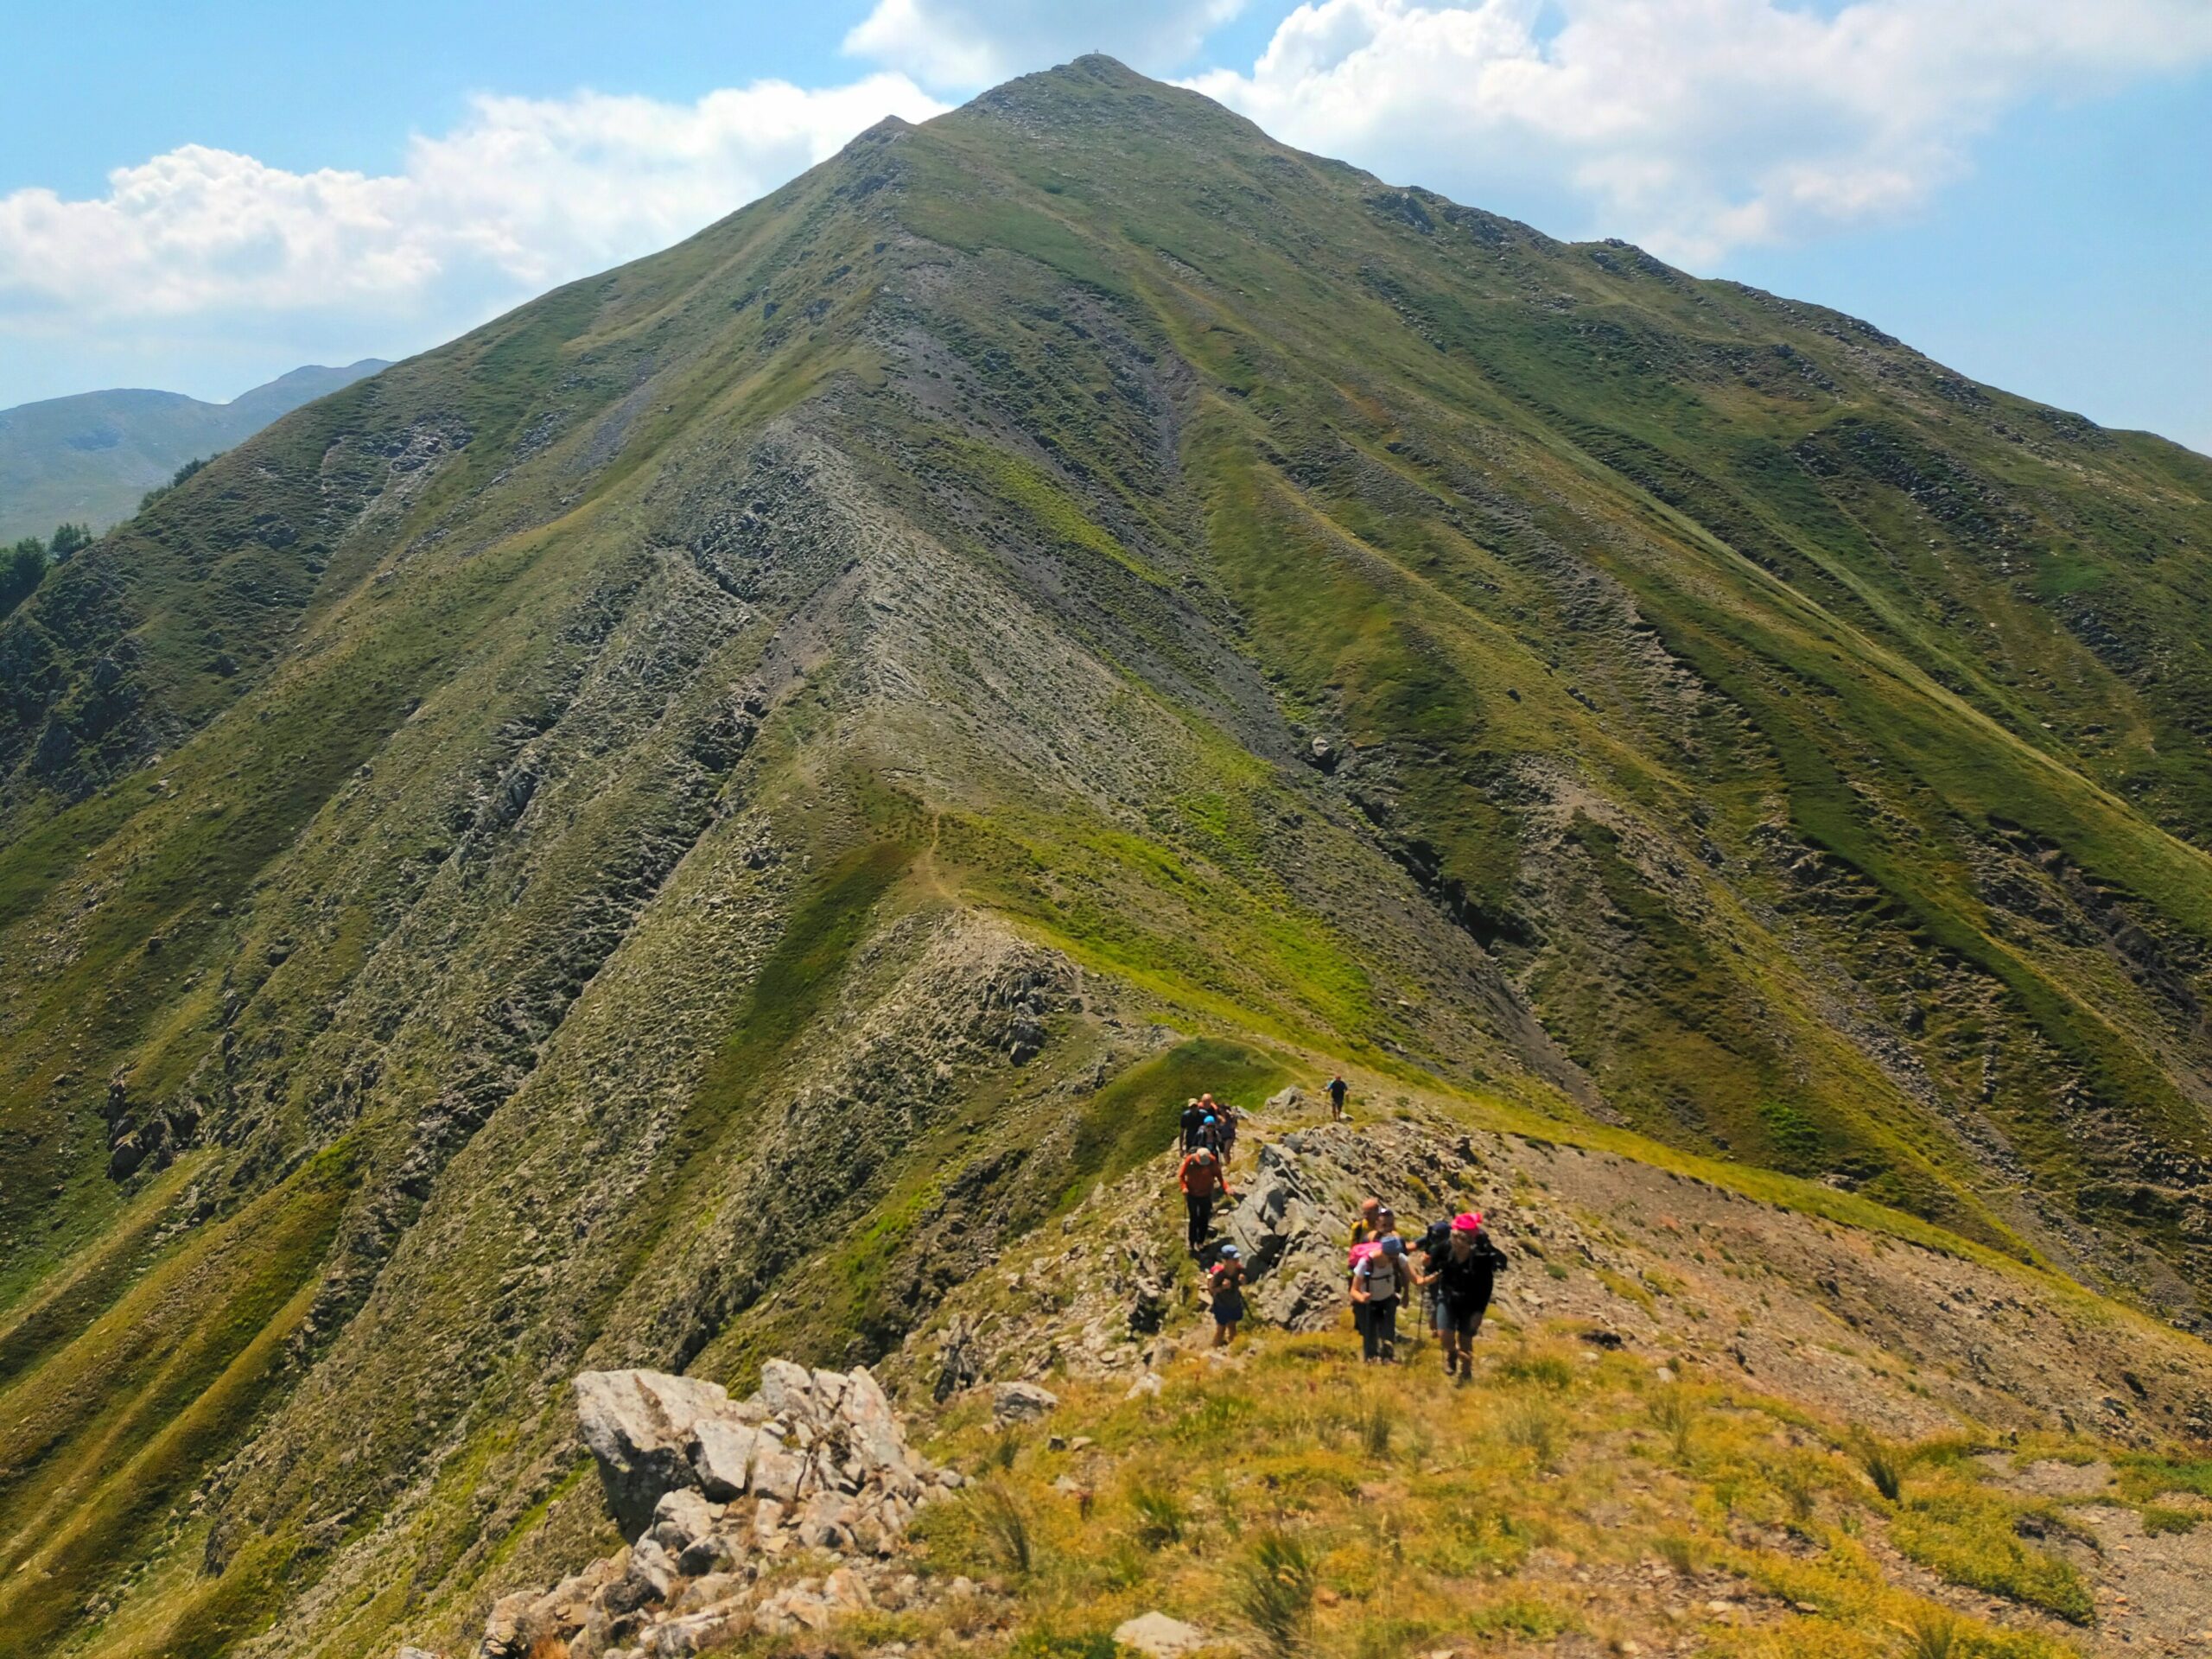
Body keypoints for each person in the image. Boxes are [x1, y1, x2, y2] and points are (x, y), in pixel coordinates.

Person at [1416, 1211, 1509, 1380]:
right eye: (1455, 1239)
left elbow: (1486, 1287)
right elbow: (1431, 1266)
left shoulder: (1481, 1258)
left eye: (1461, 1241)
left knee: (1466, 1339)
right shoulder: (1444, 1248)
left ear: (1470, 1242)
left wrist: (1479, 1312)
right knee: (1444, 1334)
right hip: (1448, 1297)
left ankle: (1466, 1374)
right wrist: (1426, 1264)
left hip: (1471, 1302)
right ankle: (1452, 1354)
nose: (1457, 1244)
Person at [1351, 1236, 1409, 1362]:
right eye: (1392, 1258)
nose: (1394, 1261)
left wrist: (1407, 1294)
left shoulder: (1398, 1259)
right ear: (1384, 1253)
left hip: (1387, 1299)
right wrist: (1362, 1298)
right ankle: (1371, 1360)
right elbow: (1353, 1290)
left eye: (1396, 1257)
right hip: (1367, 1303)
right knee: (1370, 1334)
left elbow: (1411, 1277)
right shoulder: (1365, 1263)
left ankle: (1387, 1358)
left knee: (1388, 1332)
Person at [1179, 1144, 1230, 1251]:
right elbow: (1181, 1176)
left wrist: (1226, 1188)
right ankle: (1192, 1242)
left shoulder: (1212, 1161)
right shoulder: (1190, 1160)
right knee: (1194, 1218)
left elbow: (1219, 1176)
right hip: (1192, 1194)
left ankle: (1200, 1241)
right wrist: (1184, 1187)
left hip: (1206, 1194)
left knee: (1204, 1218)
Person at [1209, 1244, 1246, 1346]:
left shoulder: (1239, 1269)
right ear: (1226, 1260)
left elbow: (1243, 1283)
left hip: (1234, 1302)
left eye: (1237, 1258)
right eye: (1234, 1259)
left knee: (1233, 1326)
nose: (1237, 1260)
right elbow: (1212, 1289)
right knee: (1221, 1329)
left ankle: (1233, 1348)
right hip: (1221, 1305)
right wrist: (1222, 1288)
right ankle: (1213, 1348)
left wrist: (1243, 1281)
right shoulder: (1218, 1274)